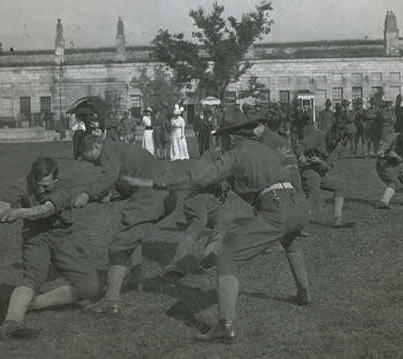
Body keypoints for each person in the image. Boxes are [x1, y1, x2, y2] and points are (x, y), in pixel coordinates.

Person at [123, 106, 310, 343]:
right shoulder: (264, 148)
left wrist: (154, 182)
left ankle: (225, 325)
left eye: (221, 136)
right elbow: (274, 176)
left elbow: (197, 177)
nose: (220, 142)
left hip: (276, 207)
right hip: (297, 204)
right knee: (290, 242)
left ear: (231, 136)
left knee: (228, 260)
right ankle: (304, 294)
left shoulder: (233, 155)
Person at [0, 157, 100, 339]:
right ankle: (10, 323)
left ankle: (32, 303)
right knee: (33, 276)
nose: (40, 190)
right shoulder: (25, 182)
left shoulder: (67, 185)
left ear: (56, 180)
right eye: (37, 185)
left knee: (89, 286)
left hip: (62, 235)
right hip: (35, 234)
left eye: (46, 186)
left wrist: (19, 213)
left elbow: (47, 209)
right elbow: (6, 203)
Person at [72, 135, 177, 314]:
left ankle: (110, 300)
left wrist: (87, 194)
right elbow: (128, 182)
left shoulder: (108, 149)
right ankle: (136, 281)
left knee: (118, 246)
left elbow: (110, 176)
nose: (95, 165)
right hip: (167, 195)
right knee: (132, 234)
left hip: (151, 196)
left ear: (96, 147)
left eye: (92, 160)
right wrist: (111, 195)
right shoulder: (120, 149)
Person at [163, 148, 232, 277]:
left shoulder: (236, 161)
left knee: (224, 219)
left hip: (214, 202)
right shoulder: (212, 154)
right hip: (197, 196)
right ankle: (175, 262)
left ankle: (207, 258)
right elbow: (201, 172)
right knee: (200, 221)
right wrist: (221, 180)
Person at [294, 125, 354, 228]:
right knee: (314, 196)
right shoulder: (319, 135)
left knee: (340, 185)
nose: (334, 142)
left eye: (337, 140)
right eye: (333, 138)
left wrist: (319, 162)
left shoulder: (337, 146)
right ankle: (296, 225)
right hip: (306, 168)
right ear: (330, 133)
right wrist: (301, 155)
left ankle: (337, 220)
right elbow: (299, 145)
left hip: (319, 172)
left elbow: (329, 165)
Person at [374, 126, 403, 209]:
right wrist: (382, 150)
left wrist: (396, 156)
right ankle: (383, 202)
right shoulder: (392, 137)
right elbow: (385, 144)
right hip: (384, 163)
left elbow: (401, 159)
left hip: (396, 165)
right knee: (393, 181)